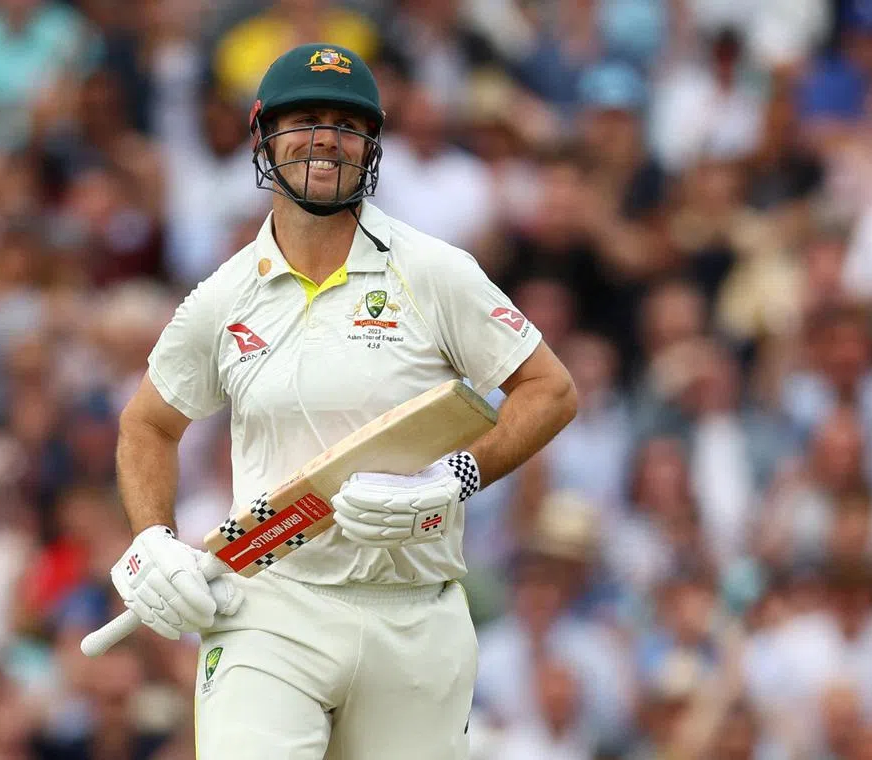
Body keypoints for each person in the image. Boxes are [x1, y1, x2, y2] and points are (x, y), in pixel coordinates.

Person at [103, 42, 578, 759]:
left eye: (345, 123)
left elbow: (550, 390)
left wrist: (455, 478)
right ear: (262, 132)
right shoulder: (222, 299)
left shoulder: (433, 272)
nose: (325, 137)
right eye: (305, 118)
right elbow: (147, 424)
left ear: (371, 146)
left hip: (415, 618)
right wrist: (150, 538)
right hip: (269, 605)